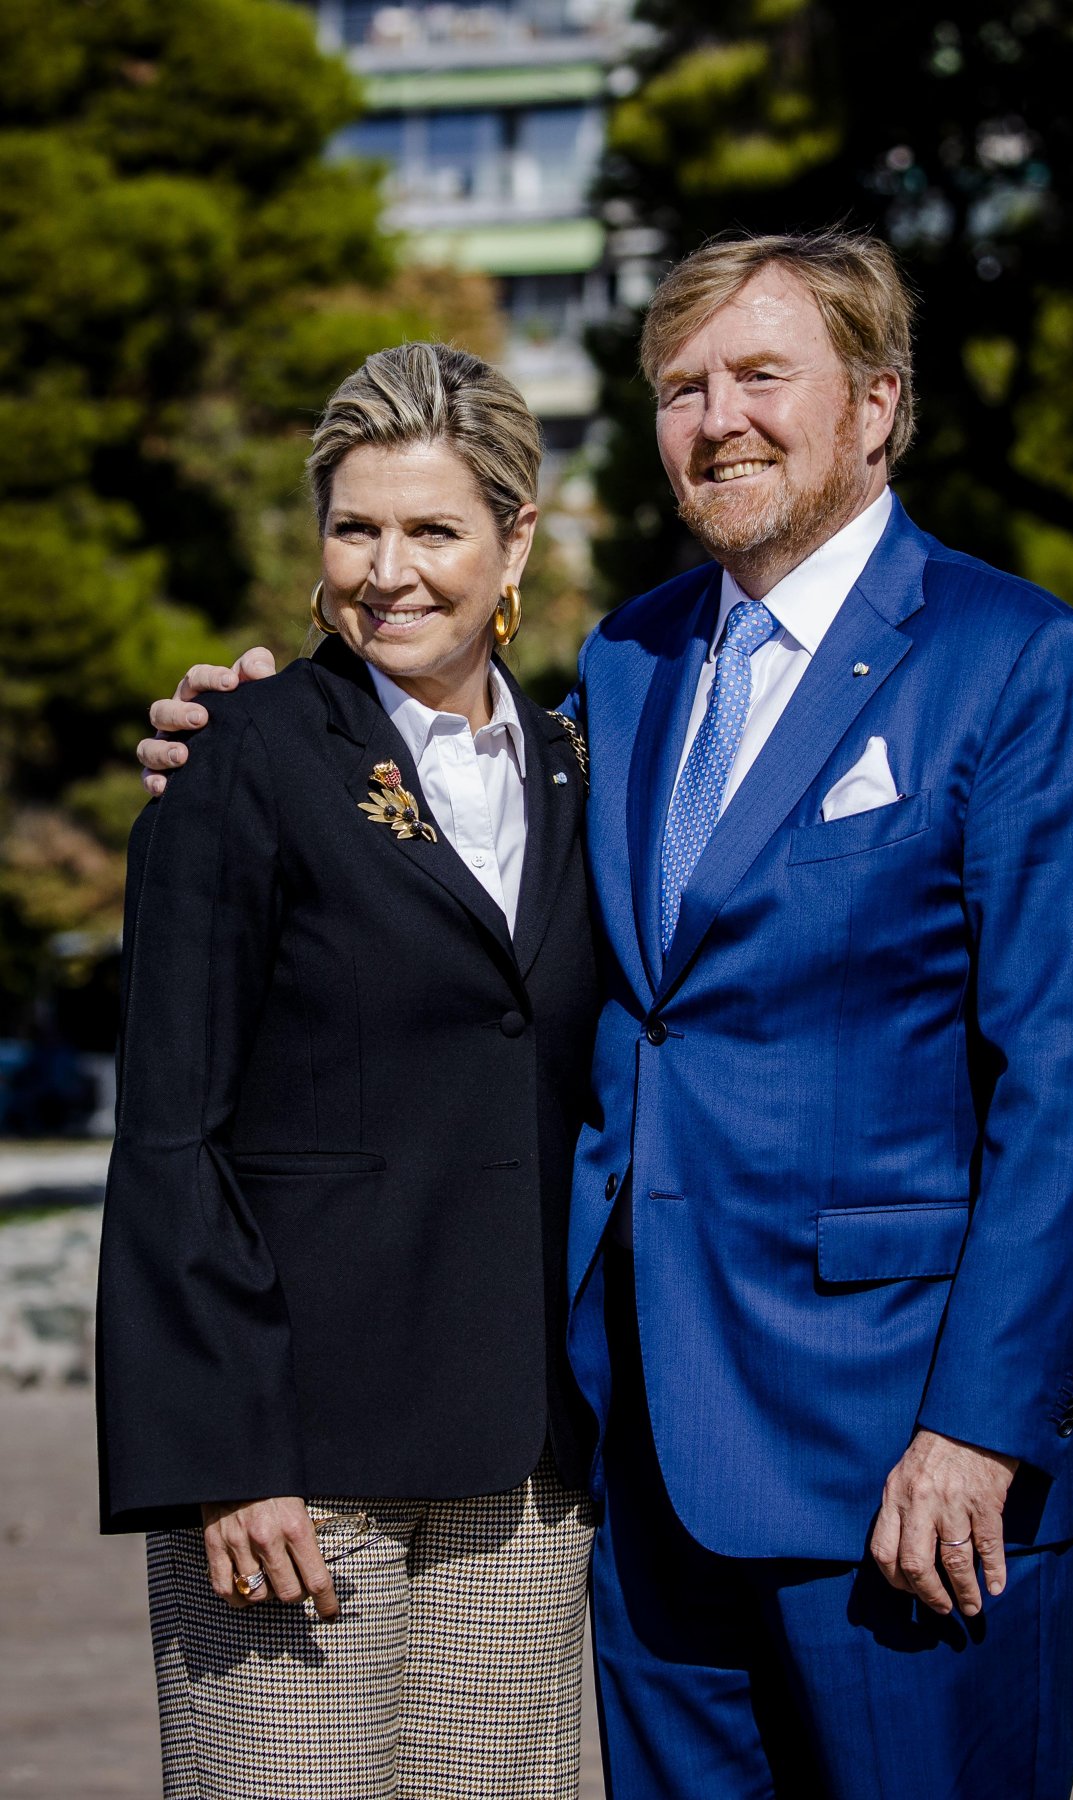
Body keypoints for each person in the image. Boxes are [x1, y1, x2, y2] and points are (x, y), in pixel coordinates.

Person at [140, 229, 1073, 1800]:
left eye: (763, 375)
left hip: (905, 1466)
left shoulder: (1017, 659)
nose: (717, 418)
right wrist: (262, 735)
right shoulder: (627, 665)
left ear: (878, 405)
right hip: (640, 1484)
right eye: (682, 386)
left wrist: (978, 1430)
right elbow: (444, 830)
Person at [100, 342, 599, 1800]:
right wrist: (225, 1456)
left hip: (524, 1461)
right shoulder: (239, 756)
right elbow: (169, 1132)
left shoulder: (581, 769)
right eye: (353, 527)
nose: (386, 571)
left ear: (515, 541)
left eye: (432, 529)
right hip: (293, 1459)